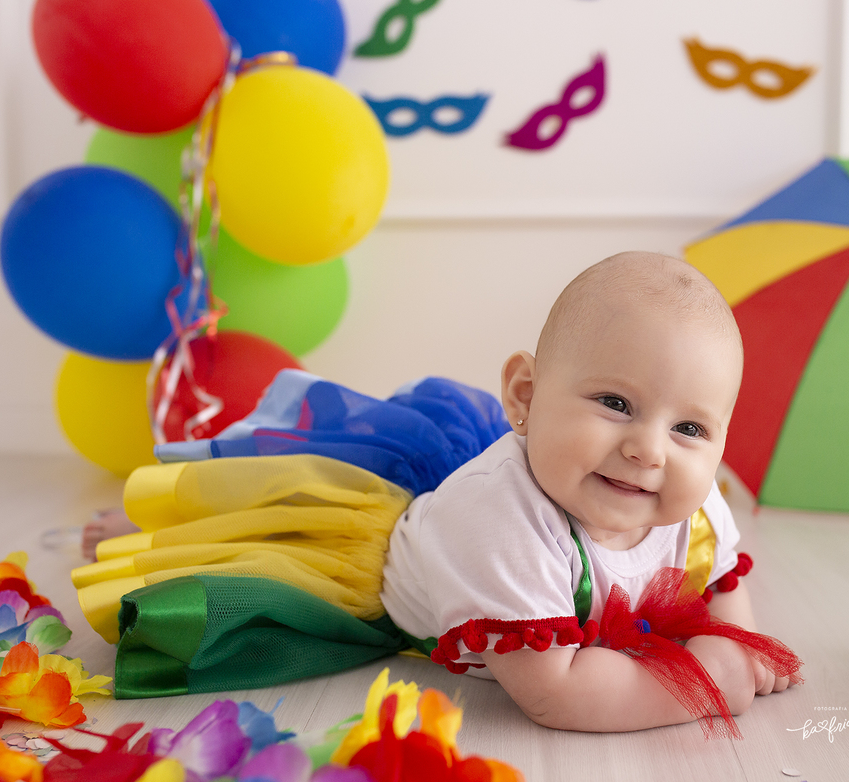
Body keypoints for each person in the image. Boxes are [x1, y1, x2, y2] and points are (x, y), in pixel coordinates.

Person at [73, 251, 800, 733]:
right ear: (525, 394)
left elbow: (719, 583)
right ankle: (146, 529)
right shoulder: (499, 525)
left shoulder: (694, 505)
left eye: (692, 430)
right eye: (615, 403)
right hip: (390, 568)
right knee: (254, 545)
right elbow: (556, 692)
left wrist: (733, 640)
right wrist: (705, 684)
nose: (649, 448)